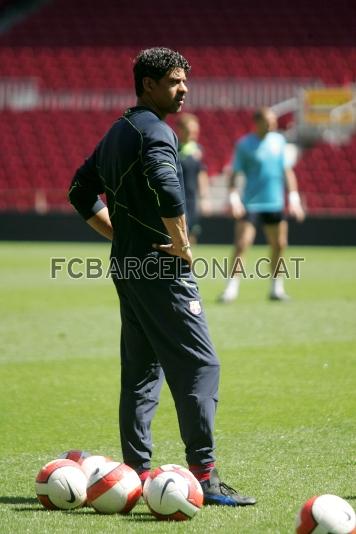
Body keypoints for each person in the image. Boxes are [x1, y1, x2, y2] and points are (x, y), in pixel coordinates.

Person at [68, 47, 256, 507]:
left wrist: (119, 237)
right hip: (162, 269)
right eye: (174, 81)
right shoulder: (157, 131)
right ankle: (205, 477)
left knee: (141, 373)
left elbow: (79, 191)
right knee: (200, 366)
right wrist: (182, 244)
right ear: (148, 84)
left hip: (129, 268)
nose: (184, 89)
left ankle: (135, 472)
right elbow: (167, 186)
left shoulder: (117, 131)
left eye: (184, 81)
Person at [219, 107, 305, 303]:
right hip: (251, 204)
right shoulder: (244, 144)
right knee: (242, 244)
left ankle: (277, 288)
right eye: (269, 121)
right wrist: (234, 199)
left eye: (274, 121)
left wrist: (294, 198)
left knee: (280, 245)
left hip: (275, 204)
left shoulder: (279, 141)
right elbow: (234, 174)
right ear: (257, 122)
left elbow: (287, 171)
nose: (273, 124)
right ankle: (231, 288)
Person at [175, 113, 210, 243]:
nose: (193, 134)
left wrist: (204, 198)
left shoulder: (198, 150)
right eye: (190, 130)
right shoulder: (173, 148)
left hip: (192, 200)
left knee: (191, 235)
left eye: (195, 131)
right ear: (181, 129)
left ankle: (186, 263)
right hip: (176, 198)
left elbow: (201, 173)